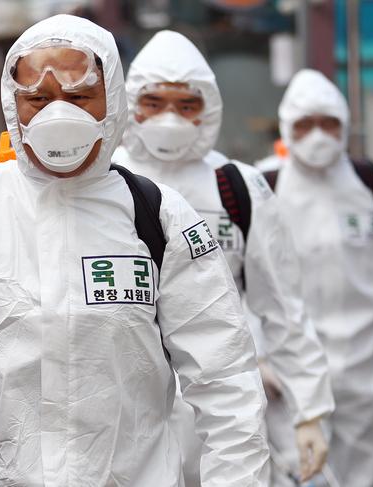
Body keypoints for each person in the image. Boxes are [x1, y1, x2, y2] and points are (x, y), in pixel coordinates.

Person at [0, 15, 270, 486]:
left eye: (78, 97)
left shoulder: (160, 218)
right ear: (14, 107)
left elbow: (226, 382)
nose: (57, 117)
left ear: (112, 99)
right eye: (38, 99)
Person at [113, 31, 334, 486]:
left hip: (223, 408)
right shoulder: (103, 185)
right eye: (153, 103)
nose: (169, 118)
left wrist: (309, 411)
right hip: (120, 412)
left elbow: (283, 308)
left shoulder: (238, 189)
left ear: (208, 108)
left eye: (185, 105)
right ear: (129, 104)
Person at [263, 68, 373, 487]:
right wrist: (255, 354)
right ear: (287, 129)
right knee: (300, 474)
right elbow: (241, 281)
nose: (318, 136)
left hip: (369, 363)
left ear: (345, 125)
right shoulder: (263, 188)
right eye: (304, 125)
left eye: (329, 123)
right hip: (290, 369)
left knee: (365, 474)